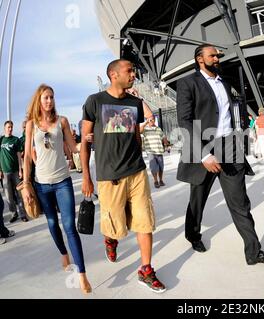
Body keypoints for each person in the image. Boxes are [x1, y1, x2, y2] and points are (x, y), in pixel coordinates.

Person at [176, 44, 264, 265]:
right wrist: (204, 155)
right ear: (199, 59)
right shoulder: (187, 83)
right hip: (204, 147)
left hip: (230, 146)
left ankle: (253, 253)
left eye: (217, 55)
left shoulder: (224, 82)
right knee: (198, 198)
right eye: (212, 55)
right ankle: (193, 235)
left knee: (240, 202)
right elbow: (184, 121)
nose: (217, 58)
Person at [81, 59, 166, 293]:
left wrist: (139, 159)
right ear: (113, 74)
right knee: (115, 226)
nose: (134, 75)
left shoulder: (135, 102)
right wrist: (87, 176)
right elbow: (84, 141)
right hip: (110, 177)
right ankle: (110, 239)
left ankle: (146, 270)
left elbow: (137, 135)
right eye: (129, 71)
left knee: (144, 221)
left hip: (137, 173)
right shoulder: (94, 102)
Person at [21, 84, 91, 293]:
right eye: (46, 98)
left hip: (63, 182)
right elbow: (26, 156)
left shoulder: (62, 122)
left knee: (69, 227)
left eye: (51, 97)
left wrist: (86, 141)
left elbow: (74, 147)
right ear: (39, 101)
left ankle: (82, 274)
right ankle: (63, 253)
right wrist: (25, 184)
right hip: (42, 185)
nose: (49, 101)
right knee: (52, 223)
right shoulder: (31, 125)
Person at [0, 121, 28, 223]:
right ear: (4, 128)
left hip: (15, 171)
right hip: (5, 172)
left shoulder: (16, 140)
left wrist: (21, 170)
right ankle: (13, 213)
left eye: (11, 127)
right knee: (8, 195)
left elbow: (19, 156)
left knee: (19, 194)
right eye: (8, 127)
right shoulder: (1, 140)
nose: (10, 129)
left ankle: (23, 214)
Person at [141, 114, 169, 188]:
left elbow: (163, 137)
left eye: (153, 119)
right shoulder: (145, 129)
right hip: (151, 151)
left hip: (159, 150)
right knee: (153, 167)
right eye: (150, 119)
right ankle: (155, 181)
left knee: (160, 167)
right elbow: (139, 131)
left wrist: (166, 144)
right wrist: (146, 123)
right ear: (147, 120)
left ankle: (161, 180)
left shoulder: (158, 129)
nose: (152, 120)